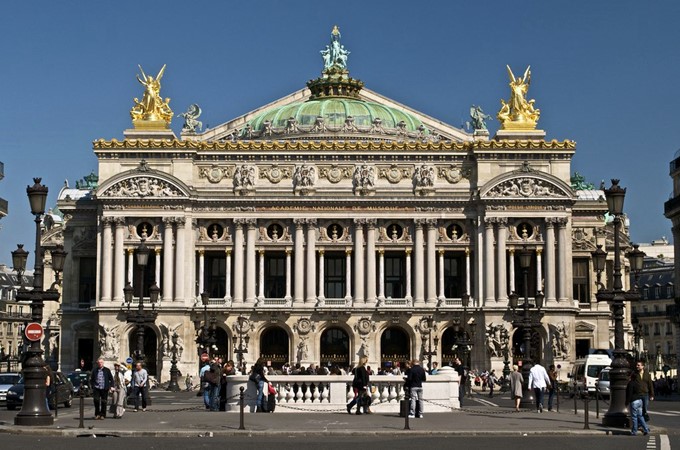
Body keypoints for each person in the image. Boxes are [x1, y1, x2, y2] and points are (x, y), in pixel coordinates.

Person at [627, 371, 650, 436]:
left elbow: (629, 394)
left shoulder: (630, 383)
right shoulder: (637, 384)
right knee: (640, 416)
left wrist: (627, 402)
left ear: (630, 377)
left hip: (634, 401)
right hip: (640, 401)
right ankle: (645, 429)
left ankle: (634, 431)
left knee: (634, 417)